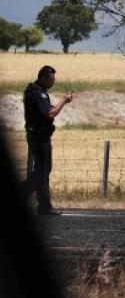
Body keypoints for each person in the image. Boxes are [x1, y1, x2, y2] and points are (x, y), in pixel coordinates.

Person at [21, 66, 72, 216]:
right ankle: (44, 207)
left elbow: (46, 111)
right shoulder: (38, 94)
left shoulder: (36, 91)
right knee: (42, 172)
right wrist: (63, 100)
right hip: (39, 137)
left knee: (42, 172)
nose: (53, 82)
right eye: (51, 79)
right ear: (43, 78)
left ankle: (44, 206)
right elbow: (50, 114)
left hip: (38, 135)